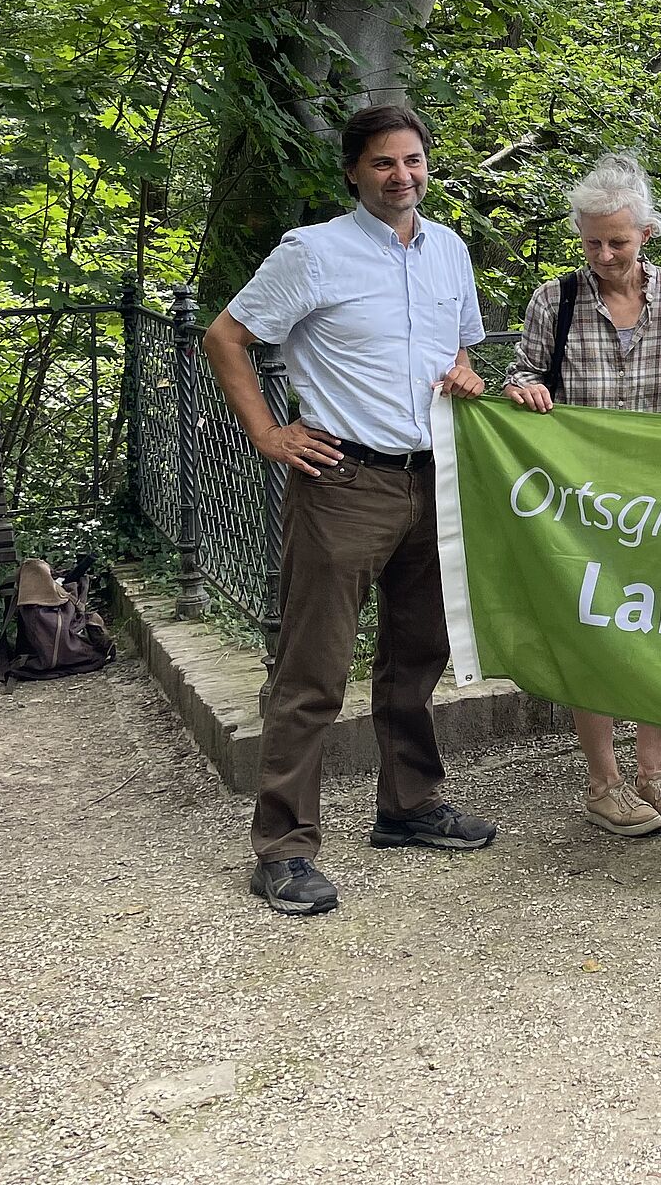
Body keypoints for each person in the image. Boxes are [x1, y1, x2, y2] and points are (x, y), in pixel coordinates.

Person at [203, 104, 495, 917]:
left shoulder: (449, 251)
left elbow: (459, 347)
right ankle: (284, 849)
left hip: (431, 477)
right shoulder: (313, 253)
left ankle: (408, 807)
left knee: (416, 657)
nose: (401, 176)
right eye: (383, 164)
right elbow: (225, 337)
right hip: (343, 483)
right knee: (312, 671)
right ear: (354, 173)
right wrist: (267, 430)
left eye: (412, 161)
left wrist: (464, 373)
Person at [501, 153, 661, 839]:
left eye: (617, 241)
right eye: (592, 241)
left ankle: (652, 771)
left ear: (646, 232)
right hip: (581, 501)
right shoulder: (553, 299)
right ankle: (604, 782)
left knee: (659, 630)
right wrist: (523, 391)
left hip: (660, 497)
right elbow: (523, 374)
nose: (603, 254)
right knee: (592, 632)